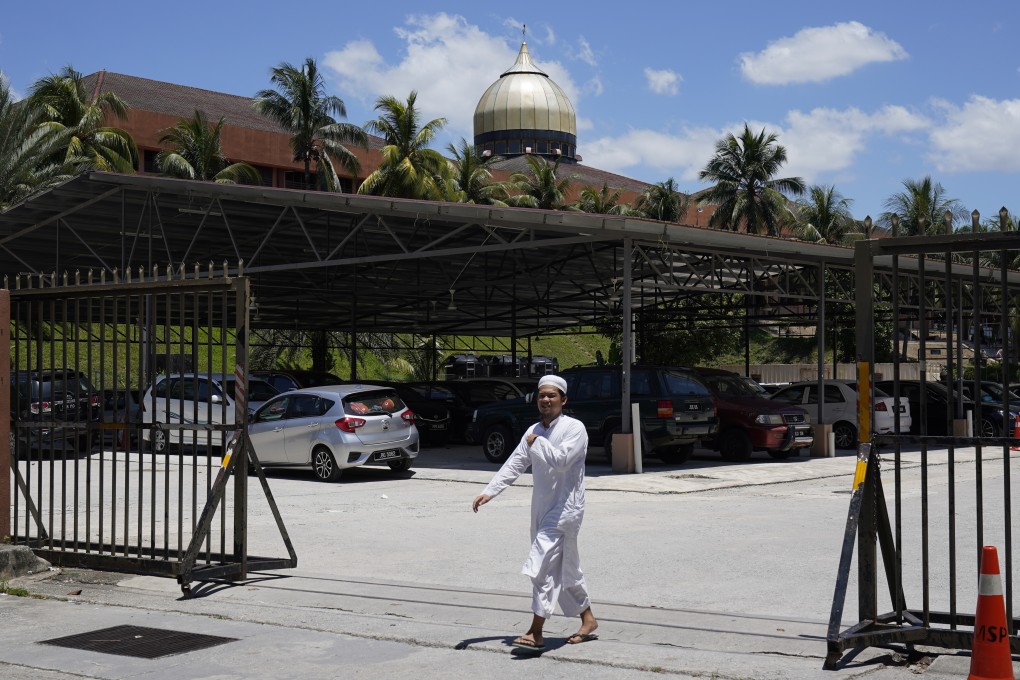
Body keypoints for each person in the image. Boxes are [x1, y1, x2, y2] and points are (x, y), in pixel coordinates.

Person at [472, 374, 598, 652]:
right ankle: (588, 620)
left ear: (563, 400)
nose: (545, 399)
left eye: (552, 395)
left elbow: (562, 461)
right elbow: (515, 462)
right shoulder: (533, 430)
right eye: (541, 395)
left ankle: (535, 631)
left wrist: (535, 442)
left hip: (566, 509)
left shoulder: (574, 428)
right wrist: (490, 491)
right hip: (541, 507)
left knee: (542, 563)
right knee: (566, 567)